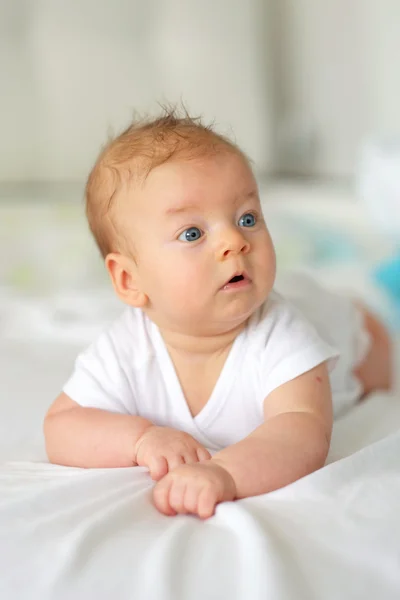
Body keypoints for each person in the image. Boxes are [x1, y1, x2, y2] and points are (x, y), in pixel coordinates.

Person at [44, 109, 393, 519]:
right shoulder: (127, 348)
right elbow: (61, 425)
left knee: (378, 351)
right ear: (128, 281)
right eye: (192, 233)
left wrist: (224, 473)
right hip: (309, 297)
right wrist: (140, 440)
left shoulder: (280, 332)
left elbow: (302, 433)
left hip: (352, 330)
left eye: (247, 218)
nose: (234, 240)